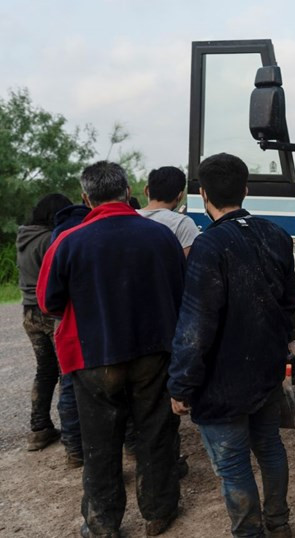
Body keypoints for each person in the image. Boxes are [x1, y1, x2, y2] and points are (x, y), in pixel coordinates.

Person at [37, 161, 184, 537]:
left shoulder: (68, 241)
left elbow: (48, 302)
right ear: (128, 191)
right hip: (153, 352)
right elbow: (180, 289)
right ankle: (158, 513)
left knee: (100, 442)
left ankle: (103, 524)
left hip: (94, 356)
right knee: (155, 432)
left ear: (86, 198)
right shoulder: (160, 236)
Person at [169, 153, 295, 538]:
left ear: (203, 193)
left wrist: (180, 385)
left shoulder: (209, 246)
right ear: (245, 188)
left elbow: (196, 325)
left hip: (221, 381)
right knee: (270, 447)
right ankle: (279, 523)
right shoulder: (275, 234)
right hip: (266, 371)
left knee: (233, 463)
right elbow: (289, 301)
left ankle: (249, 532)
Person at [16, 193, 72, 452]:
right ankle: (73, 433)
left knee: (44, 370)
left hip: (29, 312)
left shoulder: (23, 237)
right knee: (66, 372)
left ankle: (39, 429)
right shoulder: (50, 239)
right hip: (50, 313)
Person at [49, 200, 91, 468]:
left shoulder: (60, 234)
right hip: (96, 321)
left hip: (66, 321)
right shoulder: (90, 230)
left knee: (69, 385)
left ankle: (74, 450)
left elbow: (49, 297)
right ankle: (131, 446)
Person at [140, 166, 200, 256]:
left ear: (146, 190)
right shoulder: (182, 223)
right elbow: (189, 263)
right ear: (180, 196)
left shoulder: (127, 218)